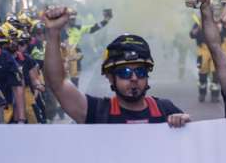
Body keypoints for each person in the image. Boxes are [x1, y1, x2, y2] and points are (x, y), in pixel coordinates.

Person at [43, 7, 189, 126]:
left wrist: (183, 123)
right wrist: (53, 32)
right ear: (110, 77)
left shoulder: (166, 110)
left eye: (140, 71)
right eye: (125, 72)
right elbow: (57, 84)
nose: (134, 78)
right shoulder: (97, 112)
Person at [61, 7, 112, 87]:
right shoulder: (58, 30)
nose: (73, 21)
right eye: (71, 19)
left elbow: (93, 28)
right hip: (62, 59)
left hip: (74, 58)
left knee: (75, 81)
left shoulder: (78, 28)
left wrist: (106, 20)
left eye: (74, 19)